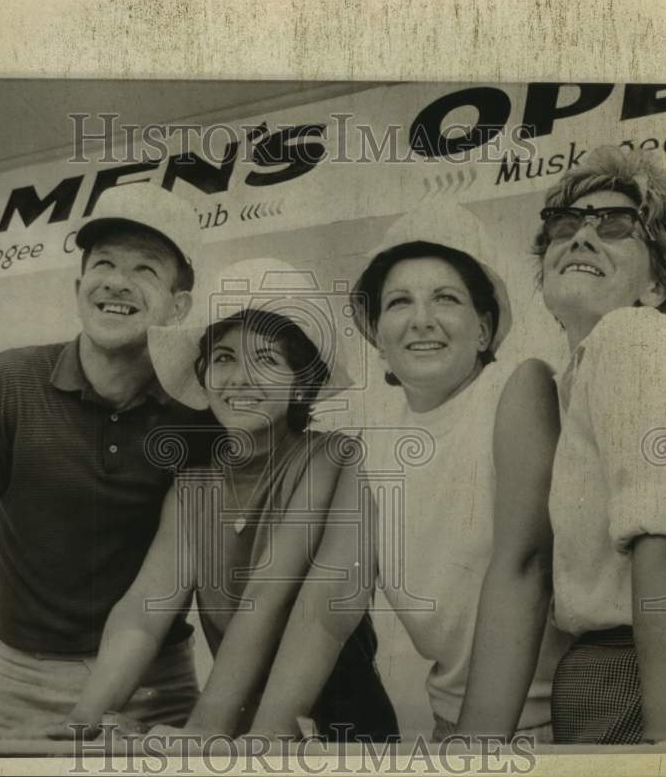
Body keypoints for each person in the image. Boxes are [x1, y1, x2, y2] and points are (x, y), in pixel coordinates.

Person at [247, 206, 570, 743]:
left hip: (554, 728)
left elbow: (526, 565)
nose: (421, 319)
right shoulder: (373, 444)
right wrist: (268, 732)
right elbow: (331, 601)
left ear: (484, 329)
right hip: (454, 726)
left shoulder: (519, 387)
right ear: (378, 336)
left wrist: (474, 753)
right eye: (399, 302)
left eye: (446, 298)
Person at [43, 258, 399, 742]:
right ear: (204, 374)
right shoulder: (193, 488)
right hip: (240, 736)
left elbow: (272, 595)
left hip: (343, 734)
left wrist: (207, 729)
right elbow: (144, 612)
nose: (239, 378)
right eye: (224, 358)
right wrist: (84, 717)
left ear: (301, 383)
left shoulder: (332, 458)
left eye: (267, 359)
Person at [458, 146, 666, 745]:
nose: (582, 236)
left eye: (615, 226)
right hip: (599, 678)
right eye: (565, 225)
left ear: (657, 284)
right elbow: (523, 568)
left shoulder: (632, 334)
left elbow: (664, 537)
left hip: (657, 677)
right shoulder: (569, 383)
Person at [0, 183, 213, 734]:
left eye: (145, 269)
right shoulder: (8, 382)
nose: (116, 281)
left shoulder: (199, 412)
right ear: (78, 287)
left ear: (179, 305)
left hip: (157, 687)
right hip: (18, 686)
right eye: (103, 263)